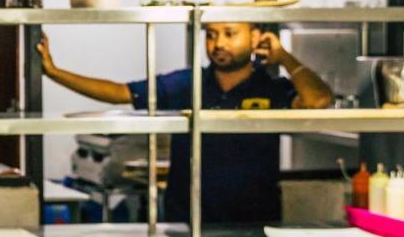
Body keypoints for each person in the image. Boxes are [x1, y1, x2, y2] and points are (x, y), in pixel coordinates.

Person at [38, 22, 334, 224]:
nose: (218, 43)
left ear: (256, 38)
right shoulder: (186, 83)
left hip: (254, 220)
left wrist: (284, 57)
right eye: (211, 34)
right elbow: (119, 92)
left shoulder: (271, 88)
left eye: (230, 34)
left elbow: (318, 101)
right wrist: (54, 73)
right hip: (189, 220)